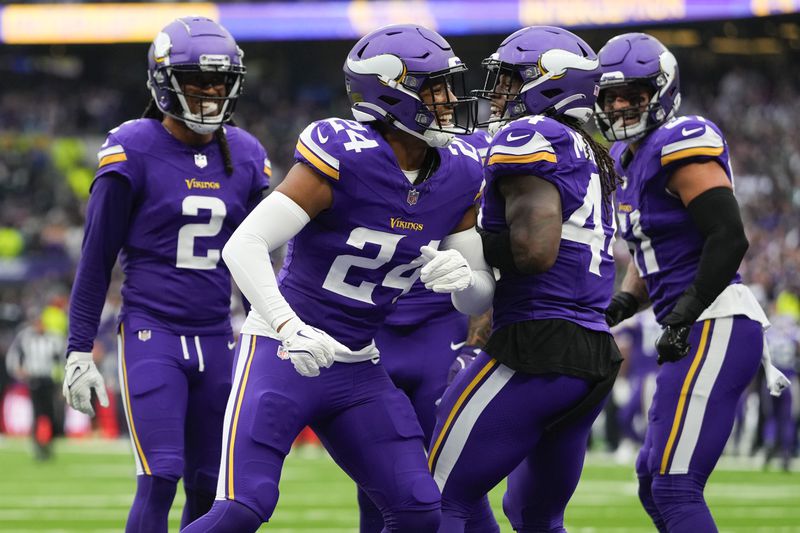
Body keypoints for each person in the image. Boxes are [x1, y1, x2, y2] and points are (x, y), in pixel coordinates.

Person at [181, 24, 494, 533]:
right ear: (392, 93)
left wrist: (466, 279)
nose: (450, 99)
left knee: (419, 511)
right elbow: (244, 244)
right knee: (243, 507)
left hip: (358, 365)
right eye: (435, 87)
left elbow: (477, 294)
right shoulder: (344, 153)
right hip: (282, 353)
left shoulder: (460, 170)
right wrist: (288, 326)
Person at [62, 16, 271, 532]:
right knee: (160, 475)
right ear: (165, 82)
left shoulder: (245, 153)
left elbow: (258, 256)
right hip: (151, 331)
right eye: (198, 80)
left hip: (219, 335)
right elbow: (96, 257)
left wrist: (272, 326)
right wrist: (77, 348)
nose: (211, 93)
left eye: (220, 82)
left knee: (208, 480)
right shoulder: (132, 146)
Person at [427, 26, 622, 533]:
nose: (496, 93)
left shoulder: (533, 134)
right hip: (593, 351)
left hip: (539, 345)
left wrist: (457, 242)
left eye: (509, 80)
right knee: (534, 517)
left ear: (549, 81)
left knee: (432, 495)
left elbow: (534, 252)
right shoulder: (587, 149)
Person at [596, 32, 790, 532]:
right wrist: (624, 299)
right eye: (611, 95)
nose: (619, 105)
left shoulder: (681, 140)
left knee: (675, 484)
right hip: (693, 324)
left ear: (660, 92)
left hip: (717, 320)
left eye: (632, 94)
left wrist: (685, 308)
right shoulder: (628, 158)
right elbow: (653, 248)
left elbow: (728, 237)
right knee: (650, 477)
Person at [357, 127, 498, 533]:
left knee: (456, 483)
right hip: (371, 337)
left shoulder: (461, 165)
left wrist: (476, 341)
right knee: (375, 487)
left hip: (439, 335)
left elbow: (480, 269)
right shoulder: (358, 159)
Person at [5, 312, 65, 460]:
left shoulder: (54, 339)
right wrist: (19, 371)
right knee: (37, 413)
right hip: (34, 379)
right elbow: (13, 358)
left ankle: (49, 443)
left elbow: (62, 360)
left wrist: (62, 380)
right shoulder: (24, 338)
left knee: (51, 413)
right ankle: (37, 444)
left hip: (50, 380)